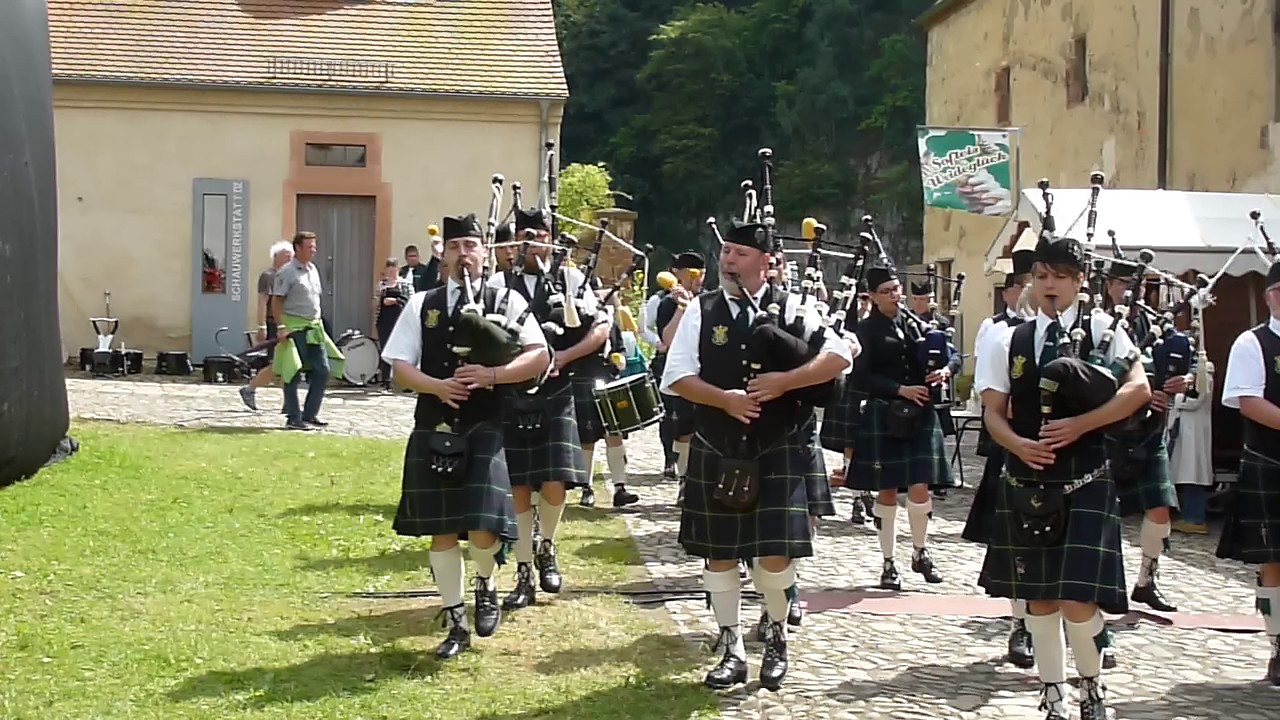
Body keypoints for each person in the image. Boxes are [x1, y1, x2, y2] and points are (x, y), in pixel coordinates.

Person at [662, 220, 851, 691]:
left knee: (774, 560)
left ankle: (778, 635)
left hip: (779, 445)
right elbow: (677, 375)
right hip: (717, 444)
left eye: (740, 253)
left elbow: (840, 355)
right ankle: (731, 647)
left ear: (766, 262)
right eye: (725, 251)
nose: (728, 260)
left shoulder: (795, 308)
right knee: (719, 557)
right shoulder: (701, 311)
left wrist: (787, 382)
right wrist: (724, 399)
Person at [975, 231, 1151, 720]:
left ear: (1079, 283)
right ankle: (1052, 694)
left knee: (1079, 601)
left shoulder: (1105, 331)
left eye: (1060, 278)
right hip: (1028, 477)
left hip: (1087, 475)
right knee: (1040, 600)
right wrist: (1018, 445)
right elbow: (994, 411)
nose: (1049, 286)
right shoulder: (1009, 337)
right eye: (1041, 276)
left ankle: (1090, 687)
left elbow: (1138, 390)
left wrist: (1081, 424)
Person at [380, 213, 549, 659]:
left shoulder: (506, 299)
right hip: (434, 423)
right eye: (454, 248)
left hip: (488, 424)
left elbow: (538, 356)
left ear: (484, 253)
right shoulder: (423, 303)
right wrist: (436, 385)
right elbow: (399, 366)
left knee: (483, 530)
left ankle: (486, 584)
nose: (463, 256)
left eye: (470, 246)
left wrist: (493, 374)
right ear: (444, 256)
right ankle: (455, 620)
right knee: (442, 530)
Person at [487, 208, 593, 610]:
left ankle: (546, 545)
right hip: (512, 394)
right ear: (515, 241)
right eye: (525, 234)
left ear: (551, 238)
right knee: (516, 486)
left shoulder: (571, 278)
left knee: (554, 481)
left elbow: (600, 327)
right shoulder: (498, 284)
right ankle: (524, 571)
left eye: (540, 233)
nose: (533, 240)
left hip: (556, 389)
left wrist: (564, 357)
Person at [849, 265, 957, 590]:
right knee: (886, 490)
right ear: (872, 296)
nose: (895, 296)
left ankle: (921, 551)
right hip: (886, 412)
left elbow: (951, 355)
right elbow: (860, 376)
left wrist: (946, 371)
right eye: (887, 291)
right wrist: (899, 389)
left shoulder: (915, 324)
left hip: (920, 413)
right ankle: (888, 562)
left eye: (897, 289)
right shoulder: (864, 331)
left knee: (920, 486)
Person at [1102, 263, 1189, 615]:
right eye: (1124, 282)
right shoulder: (1094, 321)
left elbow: (1172, 367)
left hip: (1148, 431)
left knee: (1160, 508)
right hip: (1108, 429)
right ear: (1108, 284)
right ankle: (1102, 581)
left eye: (1136, 284)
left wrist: (1178, 385)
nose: (1131, 290)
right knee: (1102, 512)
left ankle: (1146, 580)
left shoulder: (1153, 325)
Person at [962, 253, 1033, 668]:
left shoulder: (1085, 330)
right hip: (1015, 443)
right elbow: (993, 398)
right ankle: (1020, 624)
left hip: (1074, 453)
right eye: (1031, 280)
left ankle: (1089, 624)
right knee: (1020, 541)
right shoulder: (999, 333)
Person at [1217, 259, 1280, 685]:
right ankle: (1278, 645)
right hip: (1272, 462)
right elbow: (1247, 400)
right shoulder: (1252, 342)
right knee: (1275, 563)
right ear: (1270, 295)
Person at [271, 231, 343, 431]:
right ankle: (293, 417)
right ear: (298, 248)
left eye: (314, 246)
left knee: (322, 370)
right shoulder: (287, 272)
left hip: (313, 327)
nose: (314, 250)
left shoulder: (313, 269)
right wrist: (281, 327)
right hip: (295, 328)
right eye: (309, 247)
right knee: (293, 372)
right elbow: (276, 301)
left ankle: (310, 414)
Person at [653, 252, 706, 500]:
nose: (698, 277)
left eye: (701, 272)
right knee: (676, 423)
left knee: (694, 427)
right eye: (693, 272)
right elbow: (668, 340)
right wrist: (682, 309)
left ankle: (688, 478)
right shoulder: (666, 303)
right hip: (677, 370)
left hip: (704, 370)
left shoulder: (709, 301)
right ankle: (680, 473)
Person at [239, 241, 293, 412]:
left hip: (288, 324)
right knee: (278, 364)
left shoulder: (288, 275)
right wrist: (261, 326)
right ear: (276, 257)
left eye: (291, 256)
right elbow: (263, 302)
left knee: (287, 363)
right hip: (274, 324)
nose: (290, 259)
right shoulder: (269, 276)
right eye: (286, 256)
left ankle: (288, 402)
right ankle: (250, 388)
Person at [1170, 360, 1214, 534]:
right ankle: (1187, 516)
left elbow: (1194, 400)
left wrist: (1175, 396)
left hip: (1194, 435)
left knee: (1193, 477)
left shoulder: (1204, 376)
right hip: (1185, 433)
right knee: (1186, 476)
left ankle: (1194, 519)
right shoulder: (1192, 376)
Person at [374, 257, 415, 391]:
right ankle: (386, 381)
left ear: (398, 270)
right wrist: (379, 298)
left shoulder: (405, 284)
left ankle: (405, 381)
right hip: (385, 320)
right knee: (385, 348)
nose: (391, 273)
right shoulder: (381, 285)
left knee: (402, 350)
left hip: (400, 319)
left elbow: (411, 301)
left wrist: (396, 301)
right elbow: (374, 304)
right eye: (389, 270)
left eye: (394, 270)